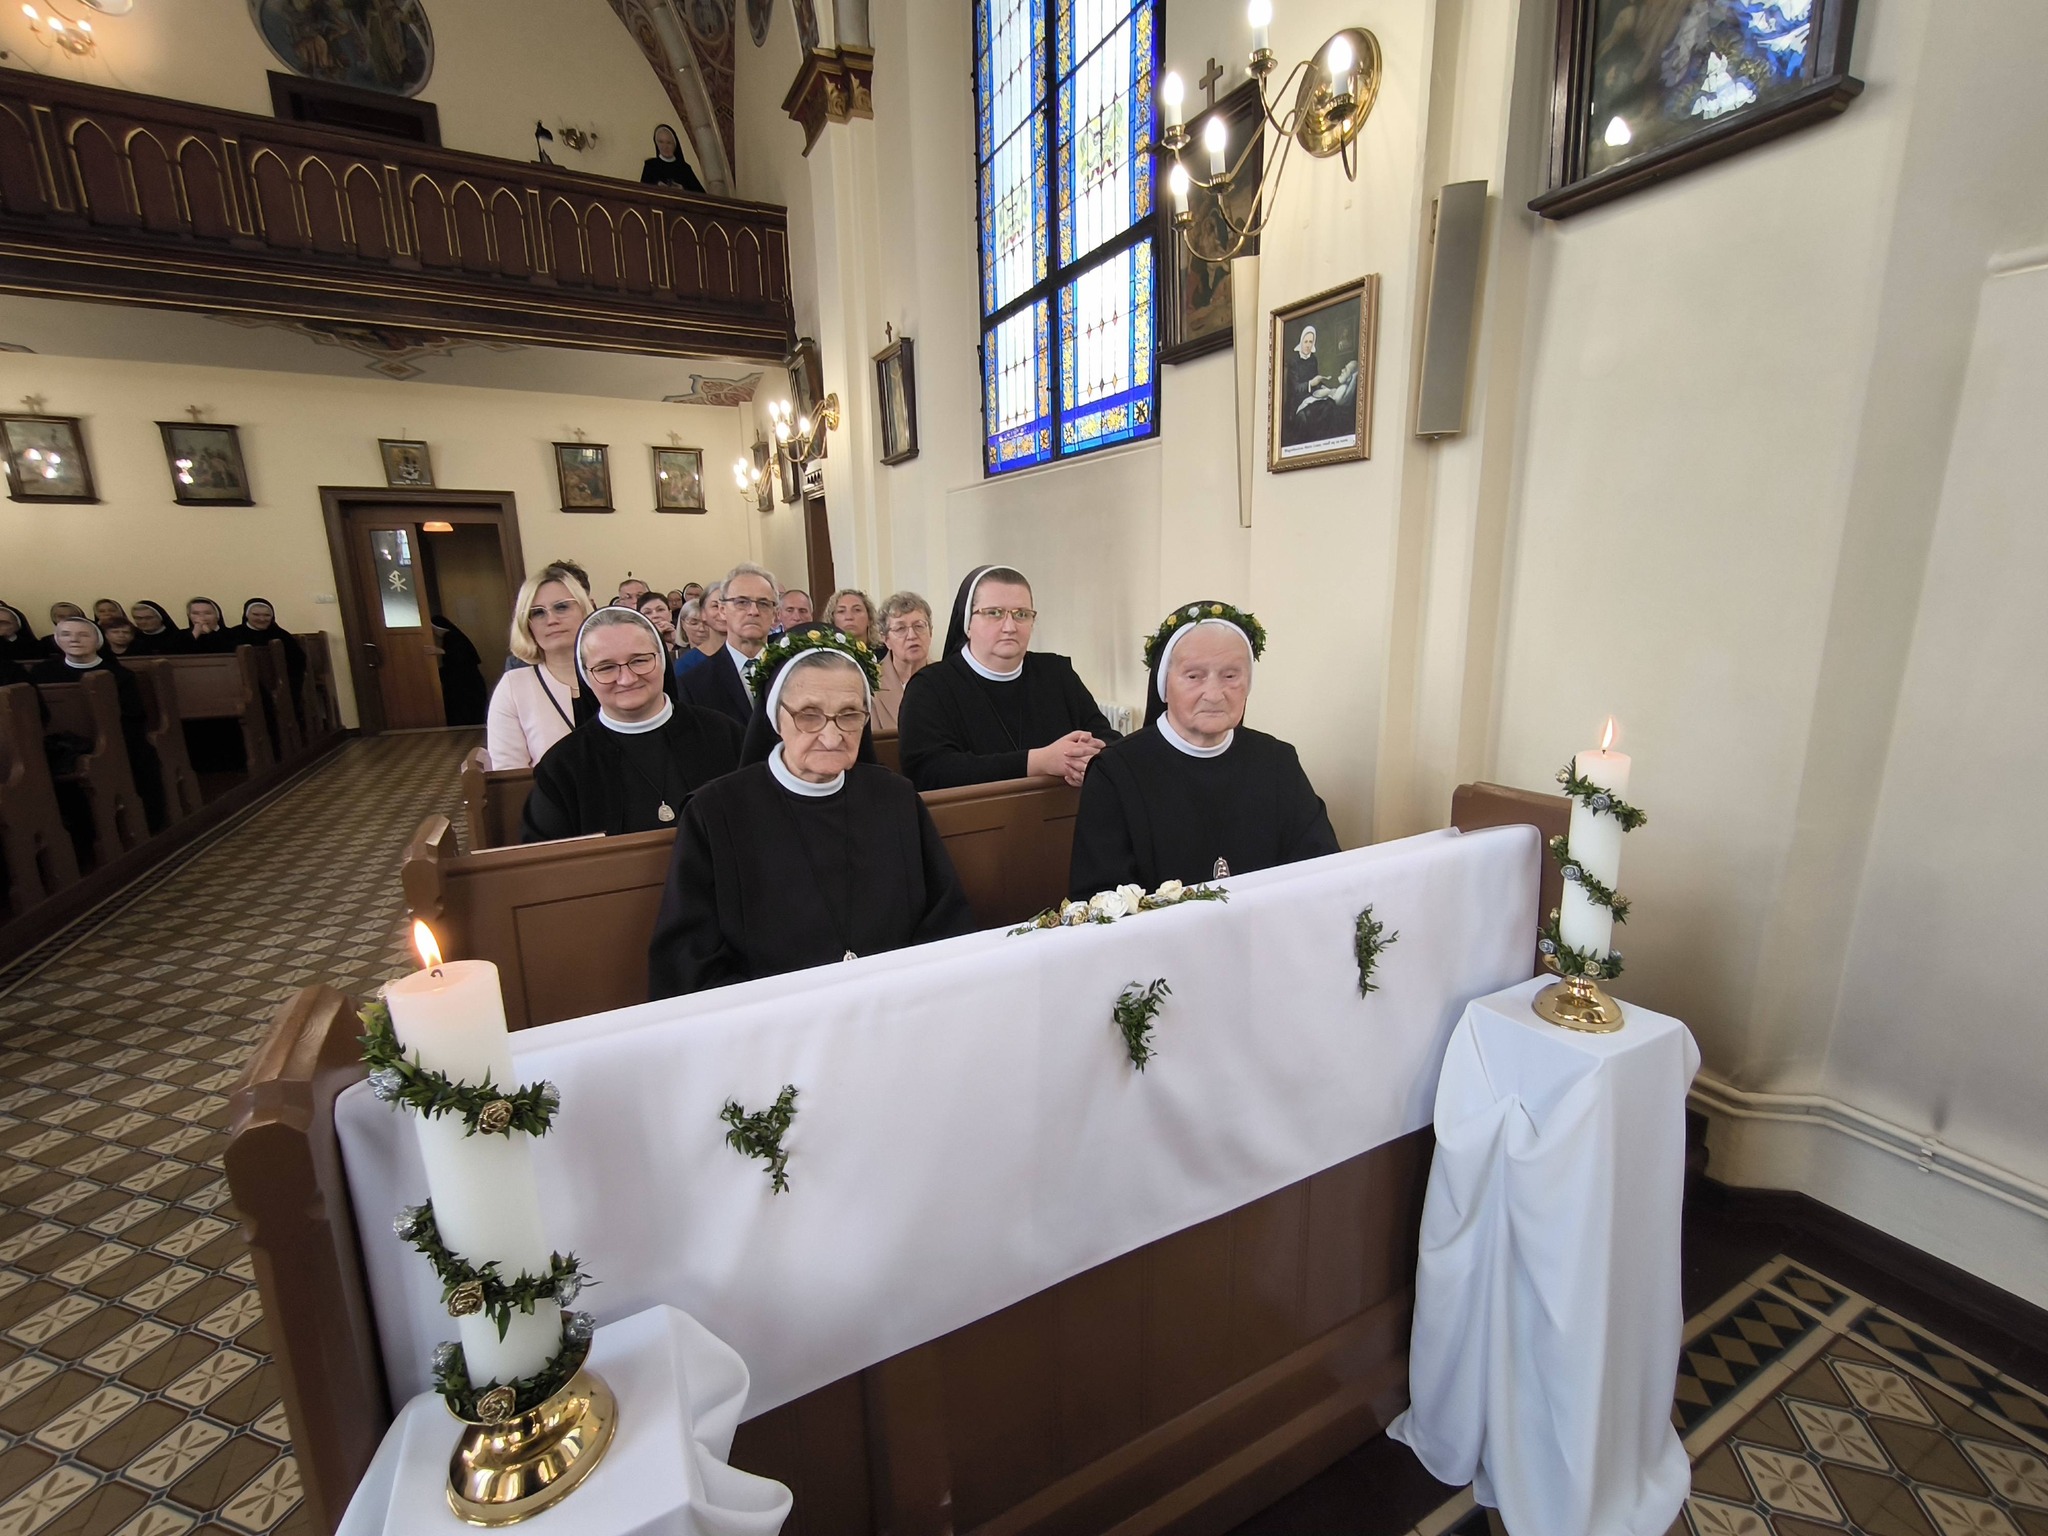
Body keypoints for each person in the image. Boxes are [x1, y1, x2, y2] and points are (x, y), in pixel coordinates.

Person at [648, 628, 973, 997]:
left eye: (849, 715)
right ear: (776, 718)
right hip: (773, 1020)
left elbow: (946, 921)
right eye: (809, 715)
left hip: (898, 1003)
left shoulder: (896, 798)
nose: (832, 737)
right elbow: (690, 960)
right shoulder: (714, 813)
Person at [1068, 602, 1338, 897]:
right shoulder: (1115, 773)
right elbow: (1102, 898)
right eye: (1194, 676)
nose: (1214, 694)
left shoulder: (1278, 762)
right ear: (1164, 686)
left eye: (1230, 676)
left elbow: (1321, 868)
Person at [521, 608, 742, 842]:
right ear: (586, 676)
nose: (627, 679)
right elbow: (546, 857)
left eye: (639, 660)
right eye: (606, 667)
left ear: (661, 660)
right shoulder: (562, 766)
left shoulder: (725, 736)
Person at [897, 565, 1120, 790]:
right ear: (967, 624)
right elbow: (931, 772)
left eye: (1021, 614)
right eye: (994, 613)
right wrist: (1038, 762)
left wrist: (1091, 754)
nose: (1010, 627)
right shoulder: (929, 687)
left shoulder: (1057, 673)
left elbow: (1109, 737)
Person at [30, 616, 168, 832]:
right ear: (57, 640)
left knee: (138, 753)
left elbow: (133, 714)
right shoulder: (41, 673)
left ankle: (143, 823)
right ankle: (76, 831)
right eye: (66, 634)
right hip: (61, 742)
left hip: (117, 736)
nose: (74, 639)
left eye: (83, 635)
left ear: (97, 640)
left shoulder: (119, 674)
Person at [487, 570, 596, 769]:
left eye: (561, 607)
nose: (551, 620)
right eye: (537, 613)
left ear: (584, 610)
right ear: (527, 626)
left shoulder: (620, 673)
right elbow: (510, 774)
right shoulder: (513, 687)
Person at [678, 563, 777, 727]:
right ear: (722, 610)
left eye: (763, 603)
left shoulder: (793, 672)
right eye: (742, 602)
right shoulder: (694, 683)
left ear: (775, 614)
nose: (753, 611)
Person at [227, 599, 306, 713]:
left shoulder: (281, 635)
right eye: (256, 615)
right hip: (244, 683)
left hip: (279, 682)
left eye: (266, 615)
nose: (262, 619)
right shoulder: (233, 634)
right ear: (247, 615)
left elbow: (298, 660)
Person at [872, 591, 933, 732]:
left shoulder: (948, 680)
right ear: (886, 639)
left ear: (930, 633)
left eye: (919, 626)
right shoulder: (871, 684)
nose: (912, 636)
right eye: (900, 629)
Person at [432, 615, 489, 726]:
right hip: (468, 682)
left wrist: (441, 652)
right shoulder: (453, 636)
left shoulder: (452, 636)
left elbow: (459, 658)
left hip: (465, 684)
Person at [640, 124, 706, 193]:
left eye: (669, 143)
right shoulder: (650, 166)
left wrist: (682, 189)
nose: (665, 147)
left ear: (675, 144)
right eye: (661, 142)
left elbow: (700, 194)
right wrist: (657, 187)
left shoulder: (684, 168)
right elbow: (643, 192)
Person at [637, 591, 685, 662]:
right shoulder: (634, 644)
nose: (655, 615)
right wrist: (656, 638)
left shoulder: (686, 638)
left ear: (670, 614)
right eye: (648, 612)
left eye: (660, 610)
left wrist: (678, 641)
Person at [674, 599, 715, 678]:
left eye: (706, 623)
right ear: (683, 624)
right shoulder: (674, 657)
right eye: (694, 623)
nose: (701, 629)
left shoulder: (726, 656)